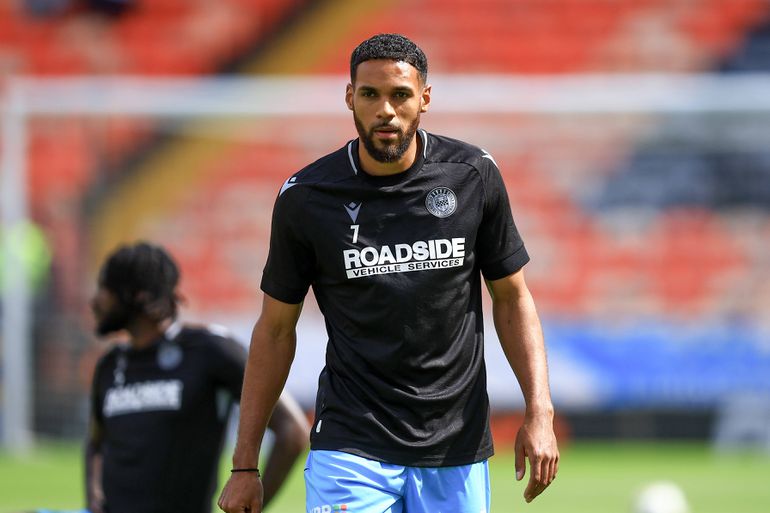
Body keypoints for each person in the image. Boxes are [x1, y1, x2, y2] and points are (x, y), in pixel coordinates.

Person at [218, 33, 559, 513]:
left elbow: (513, 298)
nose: (385, 111)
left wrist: (540, 412)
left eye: (400, 94)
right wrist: (244, 464)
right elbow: (275, 330)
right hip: (350, 440)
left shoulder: (472, 175)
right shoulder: (306, 197)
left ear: (424, 98)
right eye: (370, 94)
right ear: (349, 97)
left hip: (454, 445)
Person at [85, 242, 309, 513]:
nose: (95, 301)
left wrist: (248, 509)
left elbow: (292, 432)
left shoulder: (209, 351)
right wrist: (93, 497)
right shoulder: (109, 364)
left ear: (139, 296)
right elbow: (95, 443)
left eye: (104, 288)